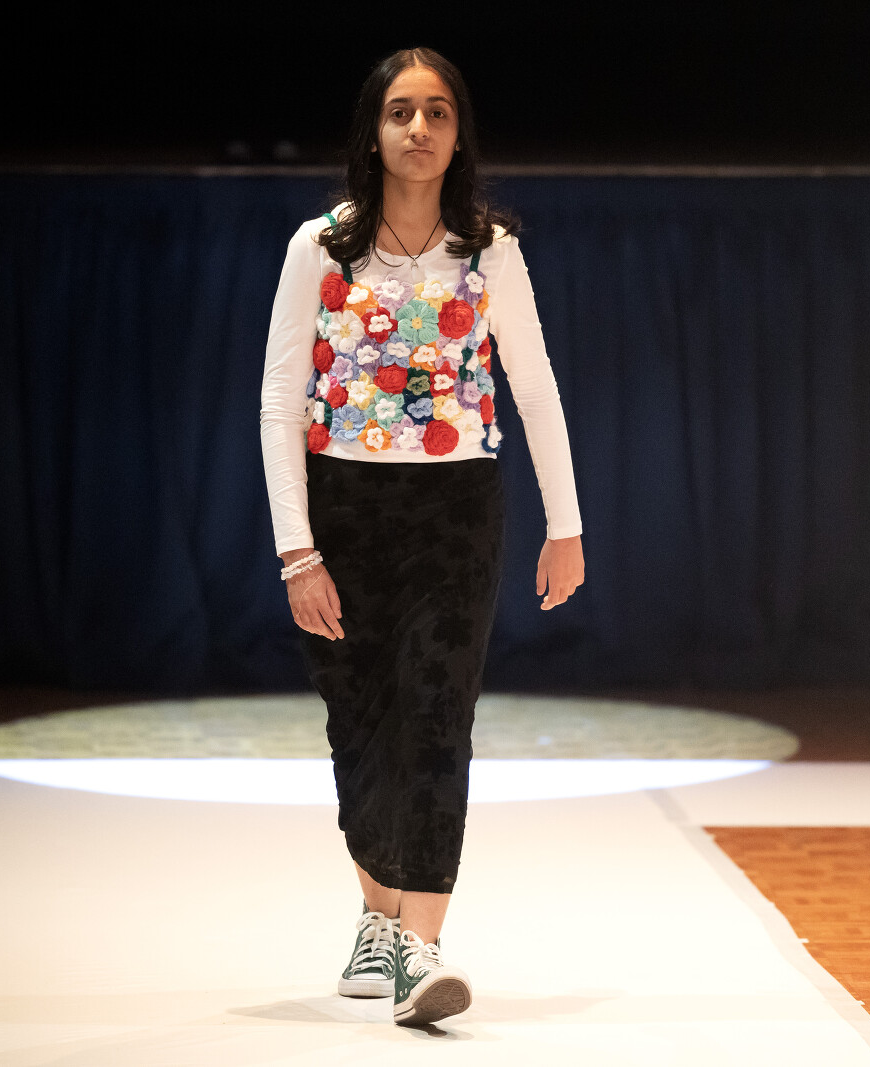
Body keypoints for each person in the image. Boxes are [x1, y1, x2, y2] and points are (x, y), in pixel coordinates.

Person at [259, 48, 584, 1027]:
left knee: (437, 714)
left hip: (456, 510)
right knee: (359, 719)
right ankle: (379, 917)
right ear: (373, 130)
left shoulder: (491, 251)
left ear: (457, 133)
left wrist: (565, 524)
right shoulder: (320, 246)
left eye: (437, 111)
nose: (418, 128)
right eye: (401, 110)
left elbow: (535, 389)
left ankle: (423, 947)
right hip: (343, 507)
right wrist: (297, 550)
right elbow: (279, 399)